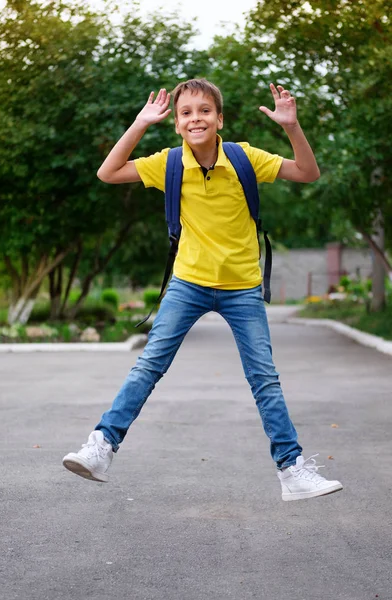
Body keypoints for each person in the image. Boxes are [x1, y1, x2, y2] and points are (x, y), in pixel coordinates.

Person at [63, 78, 343, 501]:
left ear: (219, 118)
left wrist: (292, 126)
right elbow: (108, 172)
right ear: (177, 123)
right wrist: (140, 123)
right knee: (148, 366)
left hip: (242, 287)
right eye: (187, 113)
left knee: (264, 379)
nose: (196, 119)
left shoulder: (244, 157)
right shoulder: (169, 163)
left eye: (205, 111)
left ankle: (292, 471)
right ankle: (101, 447)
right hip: (188, 283)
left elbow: (307, 172)